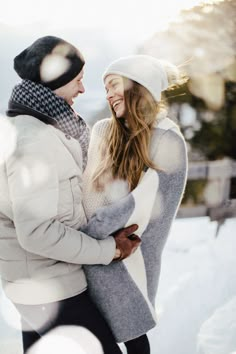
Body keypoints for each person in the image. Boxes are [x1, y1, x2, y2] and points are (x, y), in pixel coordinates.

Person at [0, 36, 141, 354]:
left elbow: (62, 209)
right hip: (48, 288)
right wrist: (109, 250)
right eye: (77, 80)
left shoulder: (46, 129)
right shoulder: (34, 138)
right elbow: (36, 233)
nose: (81, 89)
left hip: (41, 284)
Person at [81, 55, 188, 354]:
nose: (108, 94)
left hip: (135, 254)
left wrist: (93, 231)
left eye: (114, 84)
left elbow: (150, 203)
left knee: (134, 338)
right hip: (91, 251)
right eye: (105, 88)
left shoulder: (167, 139)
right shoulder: (104, 131)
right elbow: (89, 196)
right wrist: (92, 234)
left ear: (140, 86)